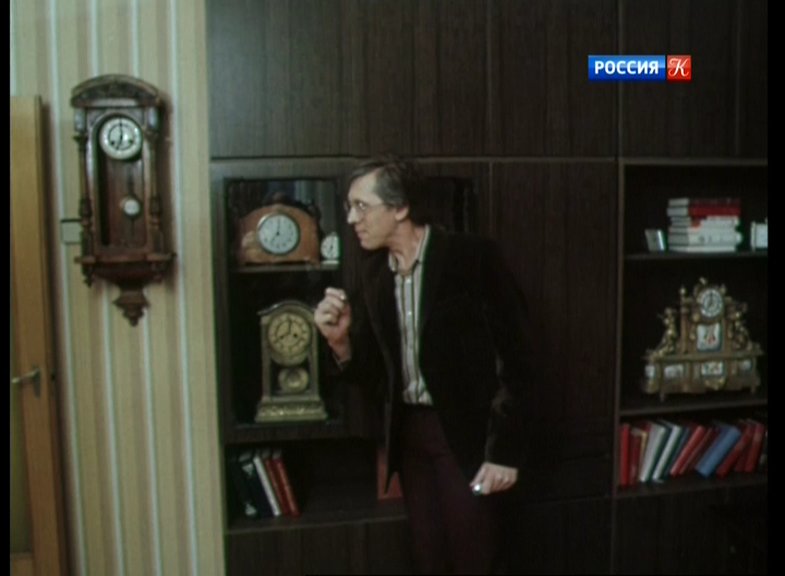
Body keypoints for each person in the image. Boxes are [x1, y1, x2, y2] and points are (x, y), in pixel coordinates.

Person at [314, 154, 531, 575]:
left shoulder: (472, 258)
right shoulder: (374, 275)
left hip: (468, 437)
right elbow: (378, 379)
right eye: (349, 208)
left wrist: (504, 453)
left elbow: (519, 358)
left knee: (476, 561)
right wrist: (340, 343)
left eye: (361, 206)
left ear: (400, 208)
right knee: (428, 559)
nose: (352, 219)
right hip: (410, 438)